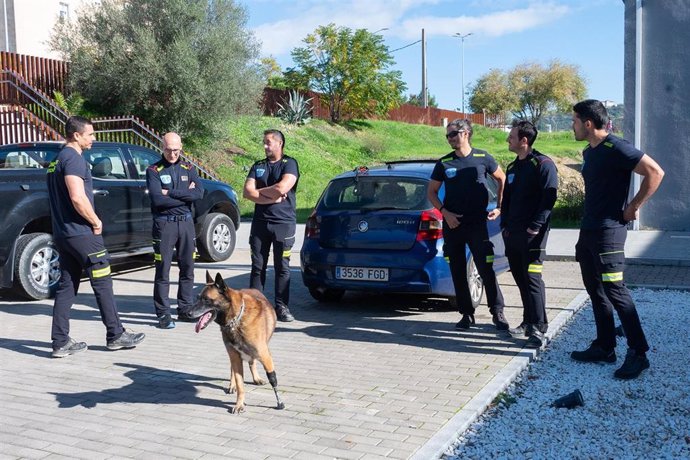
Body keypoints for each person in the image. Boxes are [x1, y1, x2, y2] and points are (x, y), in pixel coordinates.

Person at [570, 99, 664, 379]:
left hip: (609, 232)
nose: (572, 126)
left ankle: (638, 353)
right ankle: (604, 345)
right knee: (595, 290)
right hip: (589, 231)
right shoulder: (590, 152)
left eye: (574, 121)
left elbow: (656, 172)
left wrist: (633, 207)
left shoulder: (616, 147)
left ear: (588, 123)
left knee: (615, 291)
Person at [46, 116, 145, 357]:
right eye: (90, 134)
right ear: (77, 135)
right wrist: (95, 220)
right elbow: (77, 197)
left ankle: (60, 342)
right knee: (102, 282)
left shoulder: (56, 159)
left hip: (63, 235)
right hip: (82, 234)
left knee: (67, 286)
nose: (94, 138)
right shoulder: (73, 159)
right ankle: (116, 334)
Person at [427, 119, 509, 331]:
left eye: (453, 134)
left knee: (485, 268)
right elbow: (431, 193)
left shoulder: (483, 158)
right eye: (447, 136)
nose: (449, 139)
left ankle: (498, 312)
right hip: (453, 225)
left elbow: (502, 179)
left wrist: (500, 206)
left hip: (477, 224)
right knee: (457, 270)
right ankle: (466, 314)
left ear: (465, 133)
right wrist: (445, 213)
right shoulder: (444, 163)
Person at [502, 120, 558, 348]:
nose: (508, 140)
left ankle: (538, 327)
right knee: (520, 278)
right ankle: (527, 322)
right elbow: (507, 200)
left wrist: (535, 226)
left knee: (532, 278)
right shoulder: (513, 167)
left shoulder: (543, 164)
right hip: (512, 233)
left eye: (512, 136)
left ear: (524, 140)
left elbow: (549, 199)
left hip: (533, 234)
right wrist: (504, 226)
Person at [146, 132, 205, 329]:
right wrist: (185, 195)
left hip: (186, 224)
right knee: (163, 270)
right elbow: (157, 199)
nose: (172, 154)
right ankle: (163, 313)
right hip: (165, 224)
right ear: (162, 147)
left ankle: (185, 309)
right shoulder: (153, 170)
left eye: (176, 150)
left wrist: (169, 192)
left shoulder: (188, 168)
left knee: (188, 268)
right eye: (169, 150)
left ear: (181, 147)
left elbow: (199, 193)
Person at [243, 129, 299, 322]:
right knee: (257, 267)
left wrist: (260, 193)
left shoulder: (289, 164)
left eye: (268, 142)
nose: (265, 146)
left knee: (281, 267)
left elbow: (282, 188)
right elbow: (247, 192)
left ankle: (281, 307)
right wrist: (271, 197)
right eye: (264, 142)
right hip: (260, 224)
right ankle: (253, 306)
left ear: (279, 143)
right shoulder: (258, 165)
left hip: (283, 224)